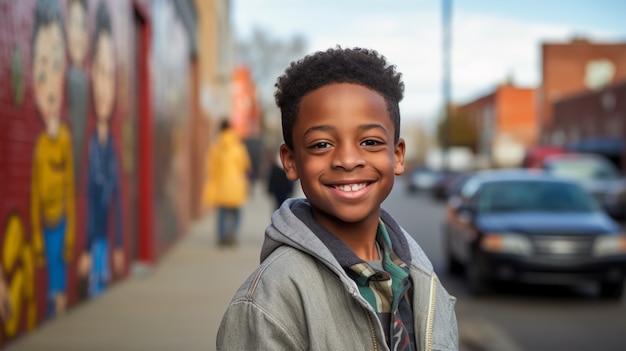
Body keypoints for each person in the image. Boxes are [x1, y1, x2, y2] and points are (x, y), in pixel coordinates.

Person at [217, 47, 458, 350]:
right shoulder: (269, 301)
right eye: (321, 144)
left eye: (370, 142)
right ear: (291, 161)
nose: (347, 159)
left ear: (397, 156)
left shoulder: (423, 278)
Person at [203, 119, 252, 247]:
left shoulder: (215, 146)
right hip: (236, 185)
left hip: (221, 185)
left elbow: (211, 167)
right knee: (236, 212)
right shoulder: (238, 146)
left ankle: (222, 237)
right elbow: (245, 165)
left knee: (222, 213)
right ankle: (233, 234)